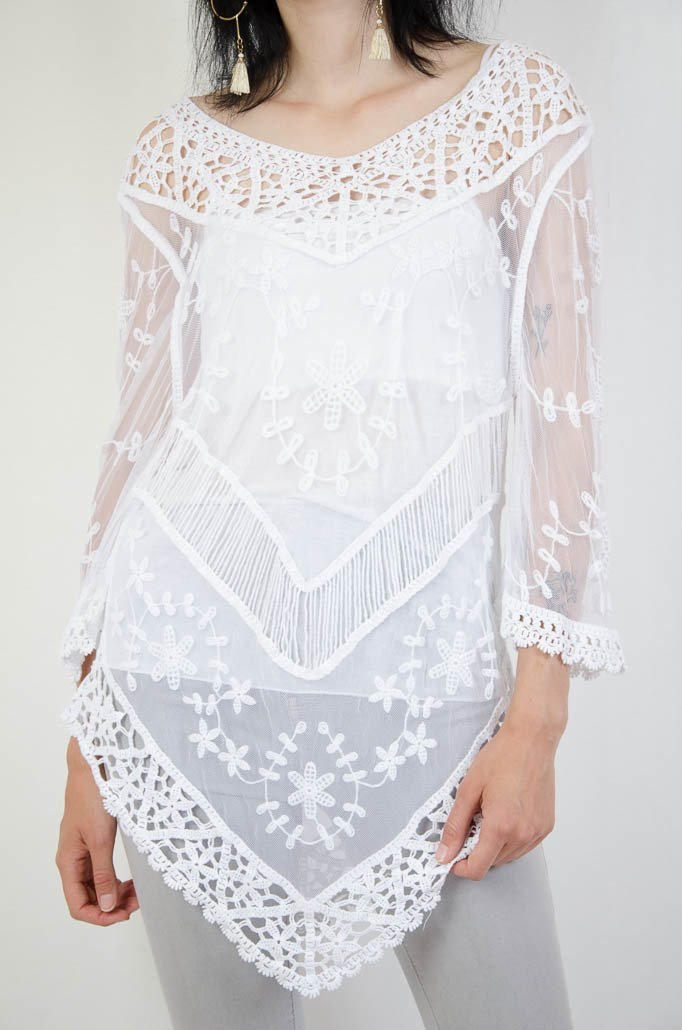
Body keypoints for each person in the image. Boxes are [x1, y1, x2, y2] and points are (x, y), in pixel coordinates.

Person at [55, 2, 626, 1027]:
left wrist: (538, 716)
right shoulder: (180, 154)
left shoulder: (518, 108)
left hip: (435, 694)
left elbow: (563, 418)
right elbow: (138, 441)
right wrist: (90, 745)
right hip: (188, 683)